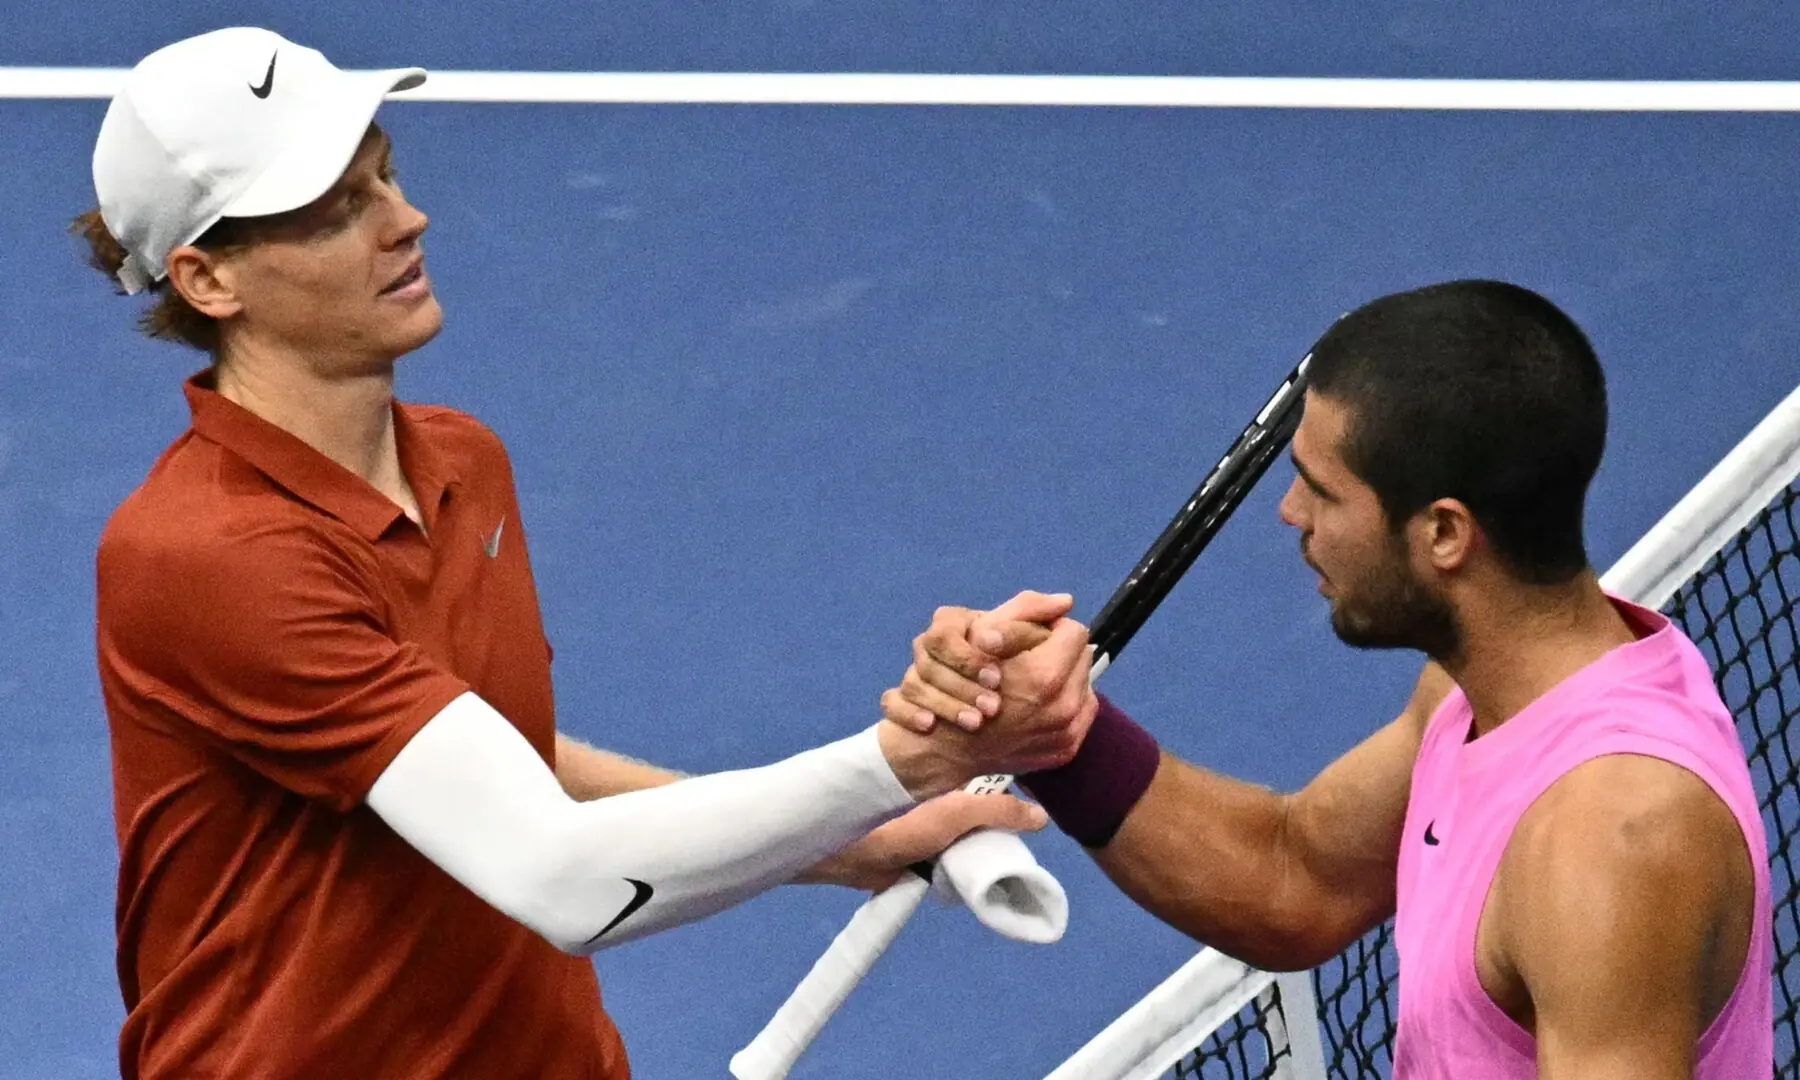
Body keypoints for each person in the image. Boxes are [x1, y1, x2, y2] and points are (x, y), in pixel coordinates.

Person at [82, 28, 1095, 1080]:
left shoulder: (462, 462)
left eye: (387, 175)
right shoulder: (206, 557)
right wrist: (906, 763)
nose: (406, 221)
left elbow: (494, 760)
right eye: (340, 208)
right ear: (208, 281)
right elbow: (562, 877)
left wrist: (849, 835)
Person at [891, 281, 1772, 1078]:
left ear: (1444, 534)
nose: (1292, 514)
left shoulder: (1608, 839)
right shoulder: (1480, 700)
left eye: (1322, 490)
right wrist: (1054, 732)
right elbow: (1295, 879)